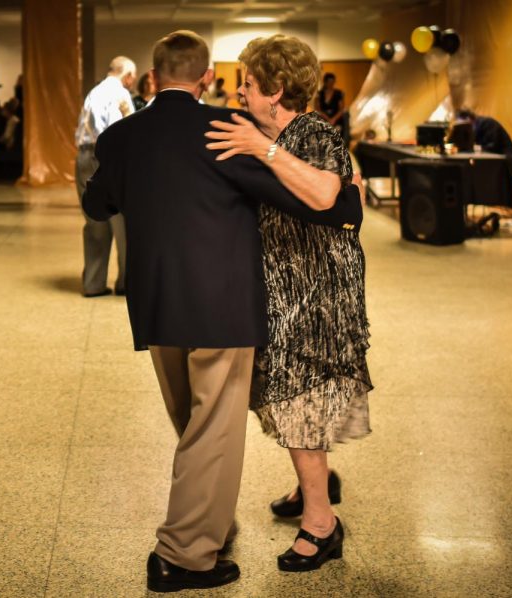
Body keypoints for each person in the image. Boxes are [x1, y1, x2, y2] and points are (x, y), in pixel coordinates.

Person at [82, 30, 361, 592]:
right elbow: (312, 201)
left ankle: (204, 521)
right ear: (206, 77)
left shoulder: (122, 136)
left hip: (156, 304)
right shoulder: (226, 133)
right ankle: (182, 555)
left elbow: (96, 205)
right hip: (222, 306)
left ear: (153, 78)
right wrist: (344, 197)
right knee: (211, 428)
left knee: (190, 421)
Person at [205, 34, 372, 572]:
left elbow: (327, 196)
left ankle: (322, 525)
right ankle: (313, 485)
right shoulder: (273, 131)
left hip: (316, 296)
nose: (240, 93)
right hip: (286, 291)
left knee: (297, 399)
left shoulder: (311, 132)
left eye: (248, 84)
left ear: (276, 90)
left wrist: (263, 151)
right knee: (292, 399)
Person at [74, 55, 136, 297]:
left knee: (94, 224)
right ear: (128, 76)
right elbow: (117, 132)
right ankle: (126, 282)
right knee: (122, 223)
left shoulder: (95, 92)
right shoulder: (120, 94)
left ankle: (93, 283)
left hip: (83, 157)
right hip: (108, 157)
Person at [455, 108, 512, 175]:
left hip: (506, 164)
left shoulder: (487, 123)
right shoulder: (477, 127)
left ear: (468, 118)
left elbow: (493, 146)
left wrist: (475, 148)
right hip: (497, 164)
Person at [314, 72, 349, 144]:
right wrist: (327, 118)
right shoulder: (319, 93)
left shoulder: (338, 93)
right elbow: (318, 109)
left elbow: (341, 109)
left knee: (337, 136)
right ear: (325, 82)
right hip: (323, 118)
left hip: (336, 119)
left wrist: (333, 119)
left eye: (333, 82)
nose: (331, 84)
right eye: (329, 82)